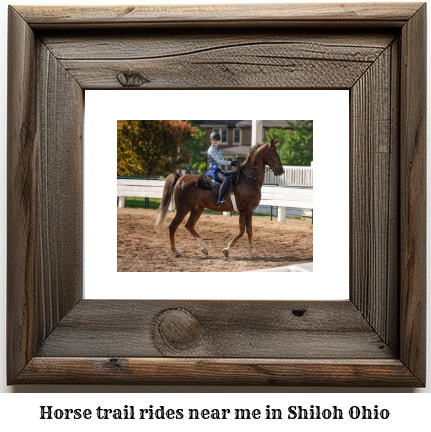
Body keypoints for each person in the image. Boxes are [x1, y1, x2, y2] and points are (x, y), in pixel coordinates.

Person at [207, 132, 239, 206]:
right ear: (211, 140)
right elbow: (219, 161)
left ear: (219, 141)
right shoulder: (211, 150)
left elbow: (223, 160)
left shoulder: (218, 149)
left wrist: (232, 163)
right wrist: (231, 163)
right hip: (214, 171)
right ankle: (219, 199)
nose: (216, 141)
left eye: (217, 140)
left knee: (231, 175)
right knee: (225, 180)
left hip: (219, 170)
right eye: (214, 140)